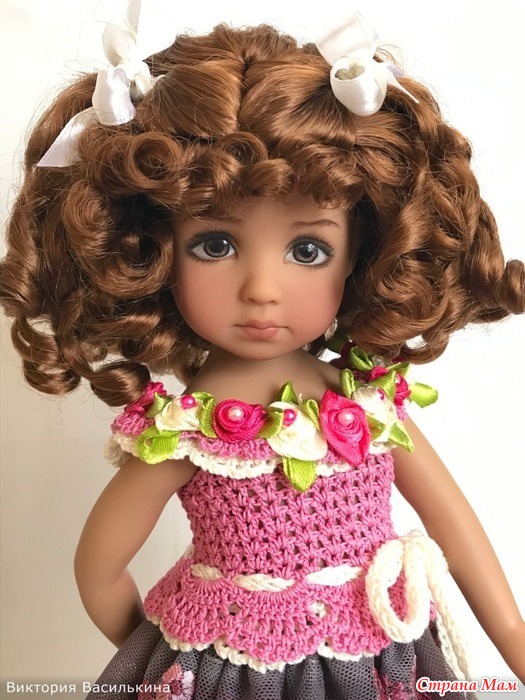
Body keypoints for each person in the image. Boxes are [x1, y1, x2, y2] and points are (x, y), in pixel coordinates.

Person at [1, 1, 524, 698]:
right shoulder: (184, 434)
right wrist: (173, 657)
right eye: (214, 244)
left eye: (308, 250)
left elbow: (457, 536)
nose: (261, 289)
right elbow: (97, 568)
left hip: (379, 657)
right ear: (152, 252)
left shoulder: (369, 408)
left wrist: (513, 640)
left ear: (361, 254)